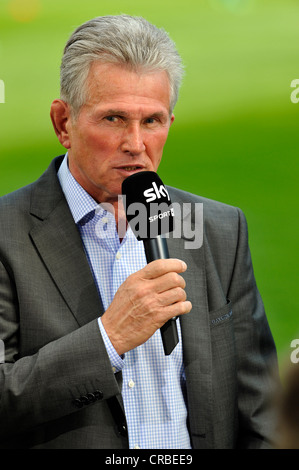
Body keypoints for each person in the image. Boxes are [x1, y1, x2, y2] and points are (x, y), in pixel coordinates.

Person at [0, 14, 279, 449]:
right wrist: (108, 338)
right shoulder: (7, 235)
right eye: (113, 119)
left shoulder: (220, 230)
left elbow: (260, 412)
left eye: (152, 121)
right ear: (63, 123)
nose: (136, 143)